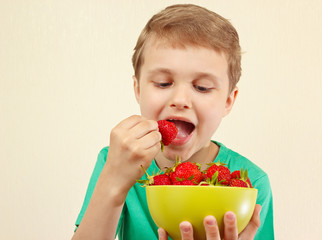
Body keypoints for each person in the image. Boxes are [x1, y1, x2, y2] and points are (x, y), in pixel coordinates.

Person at [72, 4, 274, 240]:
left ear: (229, 101)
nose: (180, 100)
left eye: (202, 87)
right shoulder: (116, 160)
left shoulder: (251, 183)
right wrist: (113, 186)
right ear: (138, 89)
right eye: (163, 83)